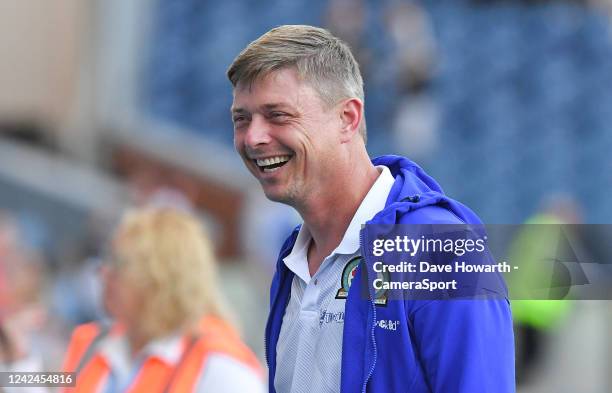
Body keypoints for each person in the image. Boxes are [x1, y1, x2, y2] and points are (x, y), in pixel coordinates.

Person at [227, 25, 514, 393]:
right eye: (242, 119)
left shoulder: (440, 248)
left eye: (278, 115)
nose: (254, 137)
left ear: (348, 118)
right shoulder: (293, 259)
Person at [62, 207, 264, 392]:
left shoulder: (221, 368)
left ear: (159, 278)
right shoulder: (91, 341)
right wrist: (28, 365)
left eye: (119, 263)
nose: (104, 271)